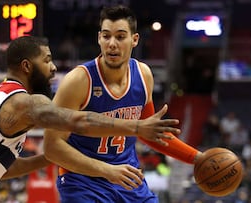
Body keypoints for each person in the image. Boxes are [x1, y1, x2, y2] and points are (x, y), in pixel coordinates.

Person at [0, 36, 181, 202]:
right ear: (27, 66)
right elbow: (77, 121)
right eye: (47, 60)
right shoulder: (25, 101)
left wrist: (50, 157)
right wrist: (136, 126)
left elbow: (2, 168)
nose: (53, 68)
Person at [43, 5, 202, 203]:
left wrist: (197, 158)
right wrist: (107, 170)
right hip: (82, 181)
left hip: (127, 179)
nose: (112, 44)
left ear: (134, 40)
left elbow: (150, 134)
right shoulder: (79, 81)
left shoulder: (143, 75)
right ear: (99, 38)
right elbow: (51, 147)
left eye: (120, 36)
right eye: (106, 36)